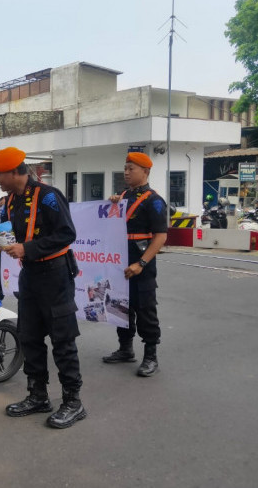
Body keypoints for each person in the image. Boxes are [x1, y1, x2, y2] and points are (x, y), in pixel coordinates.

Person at [0, 147, 86, 429]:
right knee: (29, 337)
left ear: (14, 172)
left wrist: (27, 248)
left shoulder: (48, 196)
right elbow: (0, 237)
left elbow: (67, 234)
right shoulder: (5, 204)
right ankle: (38, 395)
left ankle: (73, 401)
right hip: (30, 277)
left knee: (62, 340)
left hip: (56, 276)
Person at [103, 151, 168, 377]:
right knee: (120, 306)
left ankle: (151, 356)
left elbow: (160, 237)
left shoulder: (154, 201)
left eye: (131, 168)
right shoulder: (122, 196)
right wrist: (113, 205)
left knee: (145, 310)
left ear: (146, 171)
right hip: (120, 265)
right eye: (125, 168)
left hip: (142, 268)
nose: (126, 172)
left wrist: (141, 263)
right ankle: (125, 349)